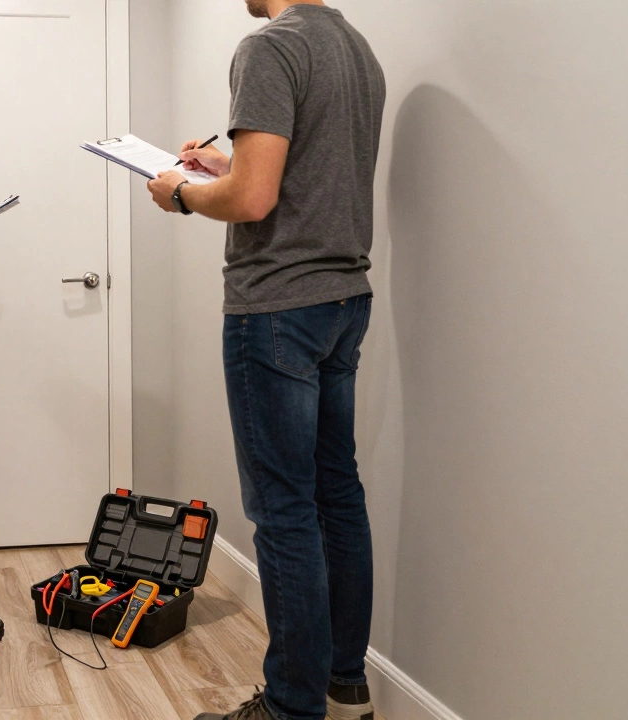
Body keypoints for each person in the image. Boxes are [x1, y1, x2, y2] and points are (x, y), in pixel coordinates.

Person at [147, 1, 385, 718]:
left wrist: (181, 192)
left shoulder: (269, 47)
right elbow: (293, 174)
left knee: (284, 513)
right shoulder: (356, 49)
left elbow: (252, 200)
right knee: (336, 495)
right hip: (343, 301)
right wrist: (224, 162)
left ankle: (290, 708)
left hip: (277, 308)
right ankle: (345, 689)